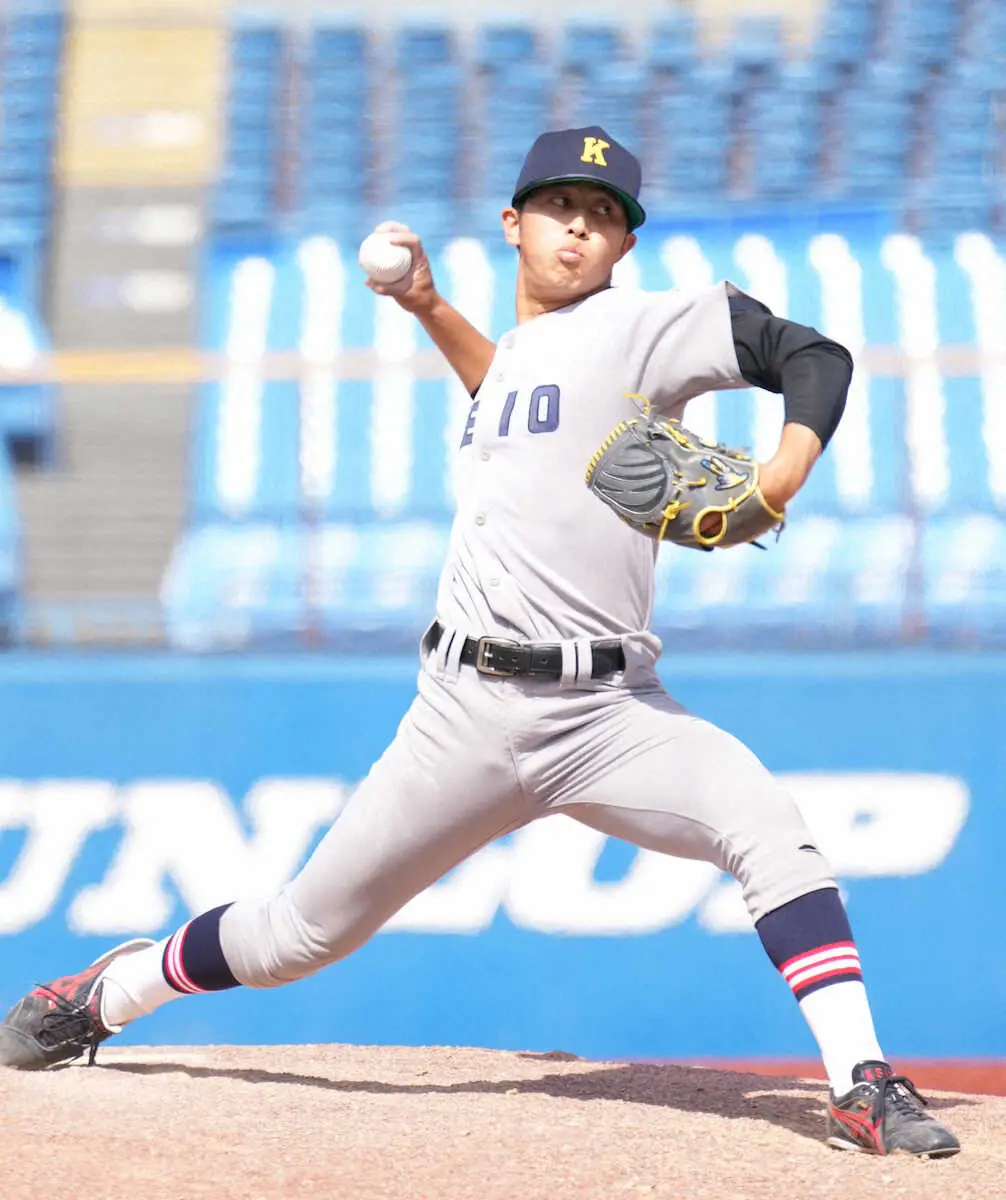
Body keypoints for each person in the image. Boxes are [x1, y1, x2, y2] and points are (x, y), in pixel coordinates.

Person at [0, 126, 958, 1159]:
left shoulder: (647, 326)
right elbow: (509, 392)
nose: (579, 228)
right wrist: (426, 307)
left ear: (625, 246)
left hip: (608, 715)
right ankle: (111, 992)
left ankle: (860, 1081)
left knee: (772, 831)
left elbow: (814, 354)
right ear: (513, 223)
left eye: (603, 216)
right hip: (463, 714)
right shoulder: (512, 369)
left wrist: (778, 476)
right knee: (295, 937)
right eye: (559, 206)